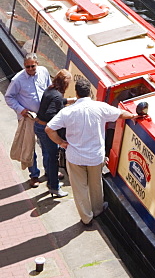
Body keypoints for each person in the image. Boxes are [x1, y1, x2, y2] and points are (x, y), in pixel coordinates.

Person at [46, 78, 134, 227]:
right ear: (90, 93)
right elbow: (121, 114)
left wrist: (61, 142)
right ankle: (98, 210)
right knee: (96, 184)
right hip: (95, 156)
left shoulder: (67, 111)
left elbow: (49, 129)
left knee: (80, 189)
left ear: (77, 93)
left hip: (75, 157)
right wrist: (134, 115)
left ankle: (86, 218)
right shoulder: (100, 107)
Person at [5, 53, 50, 187]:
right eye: (27, 67)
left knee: (47, 145)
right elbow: (9, 97)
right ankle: (34, 175)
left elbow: (49, 89)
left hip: (43, 117)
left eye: (33, 66)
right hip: (28, 119)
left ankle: (49, 171)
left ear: (37, 64)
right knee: (29, 147)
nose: (30, 69)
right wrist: (21, 110)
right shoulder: (17, 80)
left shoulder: (44, 72)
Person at [35, 69, 72, 198]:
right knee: (53, 158)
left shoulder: (50, 90)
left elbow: (55, 102)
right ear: (65, 84)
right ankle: (54, 187)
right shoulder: (57, 95)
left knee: (48, 154)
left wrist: (69, 101)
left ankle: (51, 180)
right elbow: (51, 113)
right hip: (46, 130)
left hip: (38, 126)